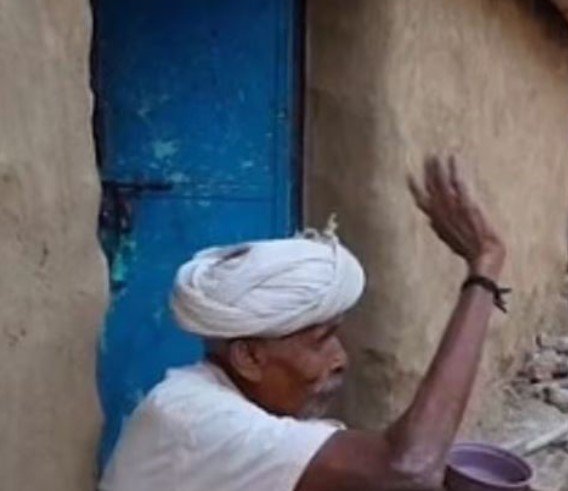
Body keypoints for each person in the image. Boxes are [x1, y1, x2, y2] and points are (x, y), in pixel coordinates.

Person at [101, 156, 510, 491]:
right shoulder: (195, 419)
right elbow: (409, 467)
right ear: (248, 357)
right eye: (321, 341)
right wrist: (484, 268)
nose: (341, 360)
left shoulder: (240, 412)